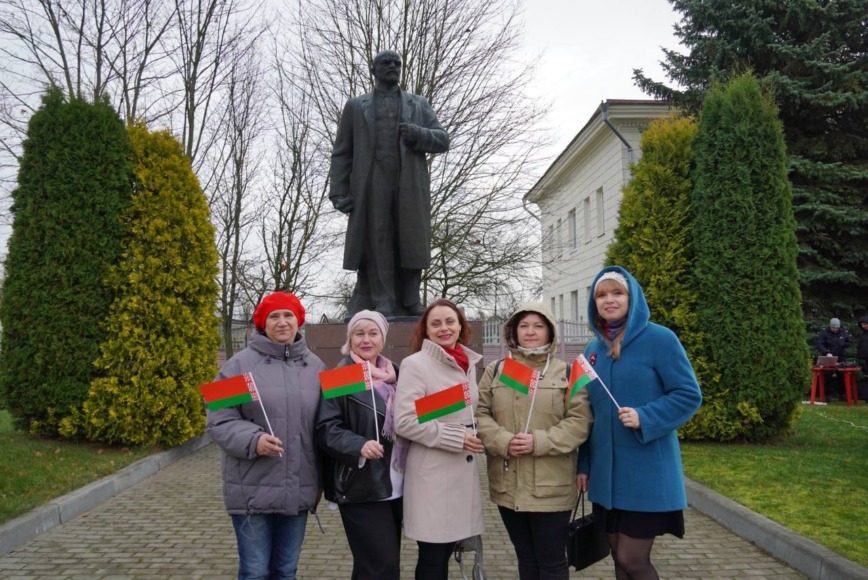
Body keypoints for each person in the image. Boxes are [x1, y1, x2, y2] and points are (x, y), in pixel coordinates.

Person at [577, 267, 702, 580]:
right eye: (601, 295)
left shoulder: (660, 339)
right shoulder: (592, 351)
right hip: (606, 478)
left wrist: (645, 416)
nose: (609, 300)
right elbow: (588, 413)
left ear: (632, 297)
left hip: (646, 475)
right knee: (617, 557)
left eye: (617, 293)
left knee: (632, 559)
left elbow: (688, 394)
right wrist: (584, 464)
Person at [207, 292, 325, 580]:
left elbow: (328, 423)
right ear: (262, 323)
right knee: (255, 572)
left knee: (286, 571)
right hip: (251, 490)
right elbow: (220, 418)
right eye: (274, 316)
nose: (282, 322)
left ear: (298, 320)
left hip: (298, 489)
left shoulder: (316, 367)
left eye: (288, 315)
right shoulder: (238, 365)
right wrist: (253, 440)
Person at [329, 49, 450, 318]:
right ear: (374, 69)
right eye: (386, 62)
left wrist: (418, 133)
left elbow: (443, 140)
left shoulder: (418, 104)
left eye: (397, 63)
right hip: (371, 183)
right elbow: (342, 152)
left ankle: (410, 298)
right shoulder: (355, 106)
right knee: (377, 240)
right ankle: (382, 299)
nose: (393, 66)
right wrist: (338, 192)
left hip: (409, 183)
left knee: (411, 240)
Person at [476, 303, 593, 580]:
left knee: (552, 562)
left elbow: (579, 421)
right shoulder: (497, 370)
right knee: (526, 558)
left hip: (551, 488)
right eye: (524, 326)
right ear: (513, 331)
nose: (530, 332)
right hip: (508, 485)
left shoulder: (567, 372)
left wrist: (538, 442)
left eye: (538, 326)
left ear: (550, 332)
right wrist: (504, 441)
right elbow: (480, 414)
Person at [394, 298, 485, 579]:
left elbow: (467, 412)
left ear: (460, 325)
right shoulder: (415, 364)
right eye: (435, 323)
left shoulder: (468, 362)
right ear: (426, 330)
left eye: (449, 321)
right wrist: (457, 437)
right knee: (433, 557)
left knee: (445, 553)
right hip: (432, 475)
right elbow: (405, 421)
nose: (444, 328)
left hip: (462, 474)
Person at [315, 310, 408, 580]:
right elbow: (326, 427)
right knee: (382, 567)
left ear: (383, 339)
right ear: (350, 339)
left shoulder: (397, 374)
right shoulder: (342, 375)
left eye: (373, 333)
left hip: (397, 483)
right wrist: (358, 445)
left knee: (373, 566)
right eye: (359, 334)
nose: (366, 340)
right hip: (361, 484)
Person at [816, 318, 851, 401]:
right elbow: (820, 344)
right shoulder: (824, 333)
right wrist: (826, 352)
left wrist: (843, 344)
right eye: (833, 328)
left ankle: (843, 394)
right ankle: (827, 395)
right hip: (829, 357)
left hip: (841, 357)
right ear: (830, 326)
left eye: (837, 328)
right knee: (827, 376)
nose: (835, 329)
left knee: (841, 376)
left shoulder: (843, 332)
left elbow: (849, 342)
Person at [856, 316, 868, 401]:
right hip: (864, 359)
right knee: (865, 377)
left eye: (864, 324)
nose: (863, 326)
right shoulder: (863, 335)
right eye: (862, 324)